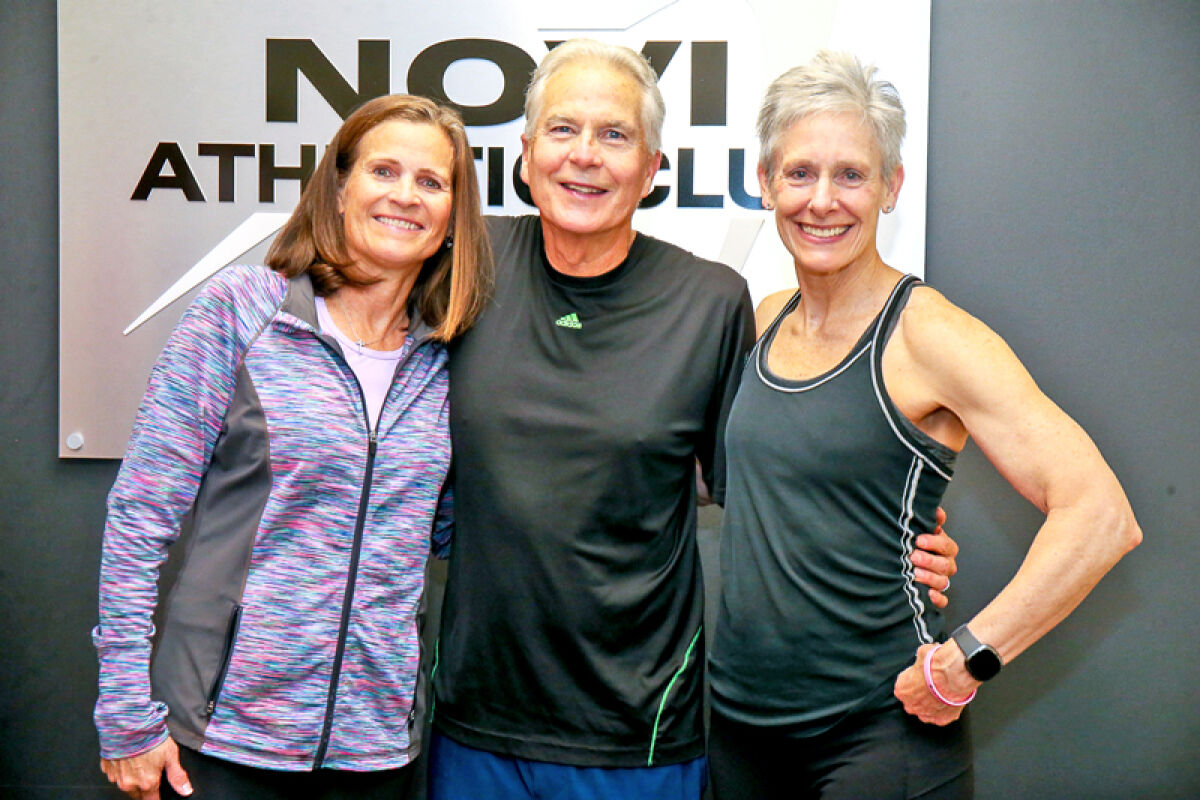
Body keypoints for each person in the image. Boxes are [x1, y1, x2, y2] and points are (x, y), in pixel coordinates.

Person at [426, 39, 958, 800]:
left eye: (614, 136)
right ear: (525, 152)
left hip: (638, 734)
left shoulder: (709, 301)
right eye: (562, 129)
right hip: (473, 723)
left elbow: (765, 478)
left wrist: (897, 537)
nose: (585, 156)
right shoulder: (461, 265)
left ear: (651, 169)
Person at [706, 50, 1142, 800]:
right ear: (766, 181)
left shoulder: (928, 335)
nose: (822, 200)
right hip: (738, 729)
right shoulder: (767, 317)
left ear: (890, 186)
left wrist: (967, 657)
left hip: (875, 736)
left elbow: (1102, 517)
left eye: (851, 175)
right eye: (800, 173)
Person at [93, 94, 492, 800]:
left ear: (453, 217)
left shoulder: (446, 361)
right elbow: (140, 515)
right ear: (339, 190)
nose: (406, 195)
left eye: (431, 182)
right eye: (384, 172)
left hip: (376, 754)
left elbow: (450, 529)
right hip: (219, 739)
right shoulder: (244, 311)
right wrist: (126, 709)